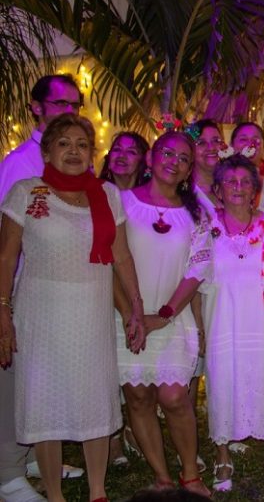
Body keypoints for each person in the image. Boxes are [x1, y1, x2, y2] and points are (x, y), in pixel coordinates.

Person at [0, 114, 147, 502]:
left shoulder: (107, 195)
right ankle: (55, 494)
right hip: (40, 315)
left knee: (94, 395)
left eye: (82, 144)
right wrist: (1, 311)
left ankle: (97, 491)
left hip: (91, 313)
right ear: (47, 150)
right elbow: (6, 258)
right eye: (64, 143)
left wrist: (135, 305)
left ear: (91, 153)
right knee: (43, 399)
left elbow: (123, 257)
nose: (73, 151)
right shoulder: (27, 192)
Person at [156, 155, 264, 491]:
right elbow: (196, 281)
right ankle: (222, 454)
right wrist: (198, 326)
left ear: (255, 190)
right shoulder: (206, 231)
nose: (238, 188)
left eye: (245, 182)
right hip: (222, 321)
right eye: (231, 182)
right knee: (223, 382)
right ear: (219, 191)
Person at [0, 75, 87, 501]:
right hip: (20, 290)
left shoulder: (68, 157)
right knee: (12, 380)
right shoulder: (21, 164)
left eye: (75, 103)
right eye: (59, 103)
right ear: (37, 108)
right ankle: (7, 474)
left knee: (38, 379)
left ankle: (36, 454)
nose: (68, 110)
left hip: (54, 293)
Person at [113, 131, 209, 497]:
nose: (174, 161)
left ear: (189, 170)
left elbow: (197, 268)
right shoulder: (120, 202)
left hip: (172, 316)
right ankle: (162, 477)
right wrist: (131, 315)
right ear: (151, 157)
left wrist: (164, 314)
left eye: (184, 158)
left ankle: (189, 473)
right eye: (168, 153)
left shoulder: (195, 212)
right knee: (138, 398)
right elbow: (111, 262)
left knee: (173, 397)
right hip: (127, 317)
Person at [230, 122, 264, 207]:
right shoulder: (222, 175)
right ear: (232, 145)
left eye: (256, 140)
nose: (250, 145)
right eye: (243, 140)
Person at [188, 119, 225, 215]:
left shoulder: (232, 186)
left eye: (216, 141)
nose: (211, 147)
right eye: (201, 143)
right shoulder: (184, 192)